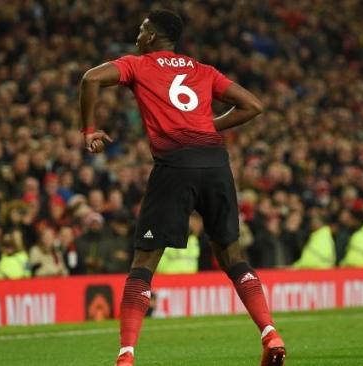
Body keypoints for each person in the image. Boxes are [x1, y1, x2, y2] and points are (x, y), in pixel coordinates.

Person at [79, 10, 284, 366]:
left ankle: (126, 355)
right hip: (216, 164)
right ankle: (270, 333)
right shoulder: (202, 70)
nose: (138, 34)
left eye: (143, 29)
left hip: (174, 165)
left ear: (154, 37)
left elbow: (90, 79)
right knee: (232, 256)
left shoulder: (138, 64)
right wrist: (208, 126)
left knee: (144, 262)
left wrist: (89, 130)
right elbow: (253, 105)